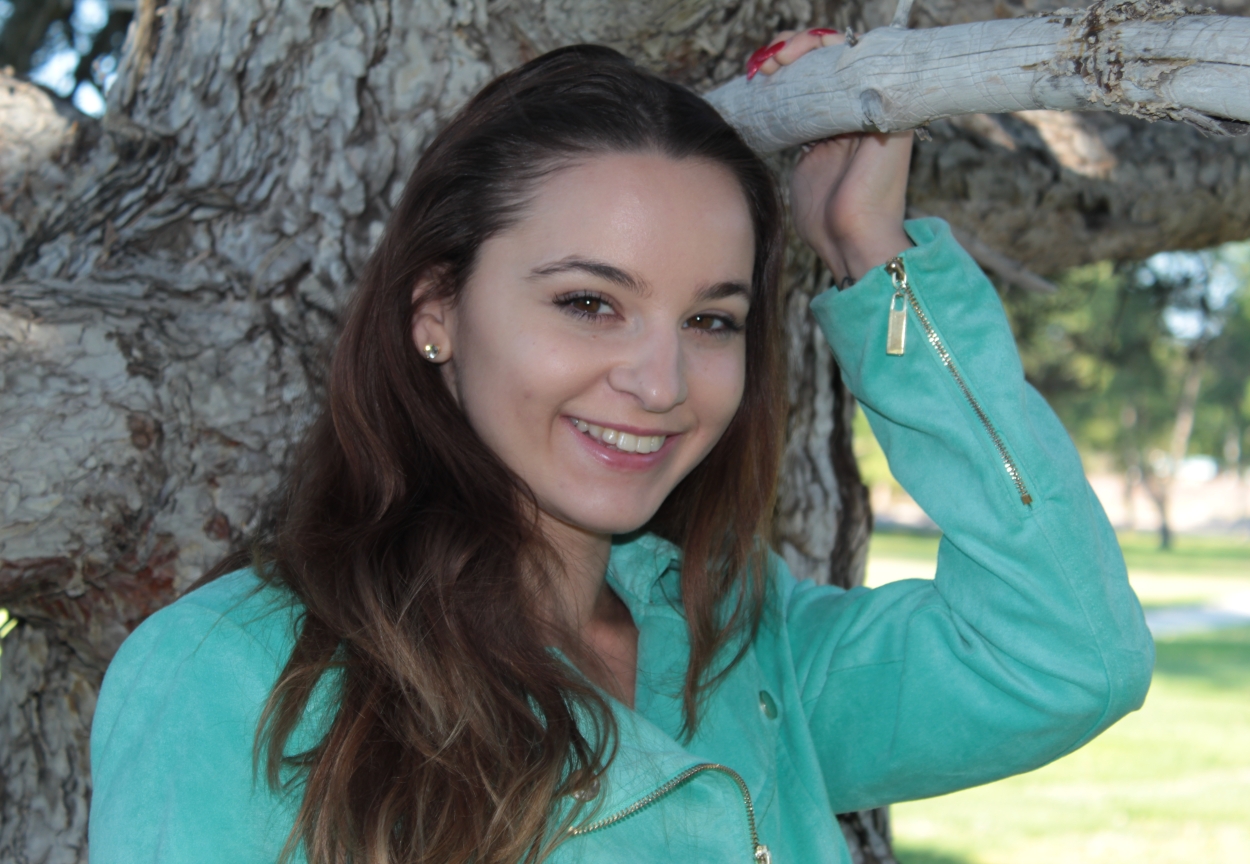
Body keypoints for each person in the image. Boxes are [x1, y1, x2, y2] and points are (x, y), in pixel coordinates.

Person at [88, 29, 1154, 864]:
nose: (660, 383)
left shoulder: (739, 642)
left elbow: (1065, 656)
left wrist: (866, 252)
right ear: (438, 309)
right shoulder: (232, 678)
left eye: (711, 319)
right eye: (591, 302)